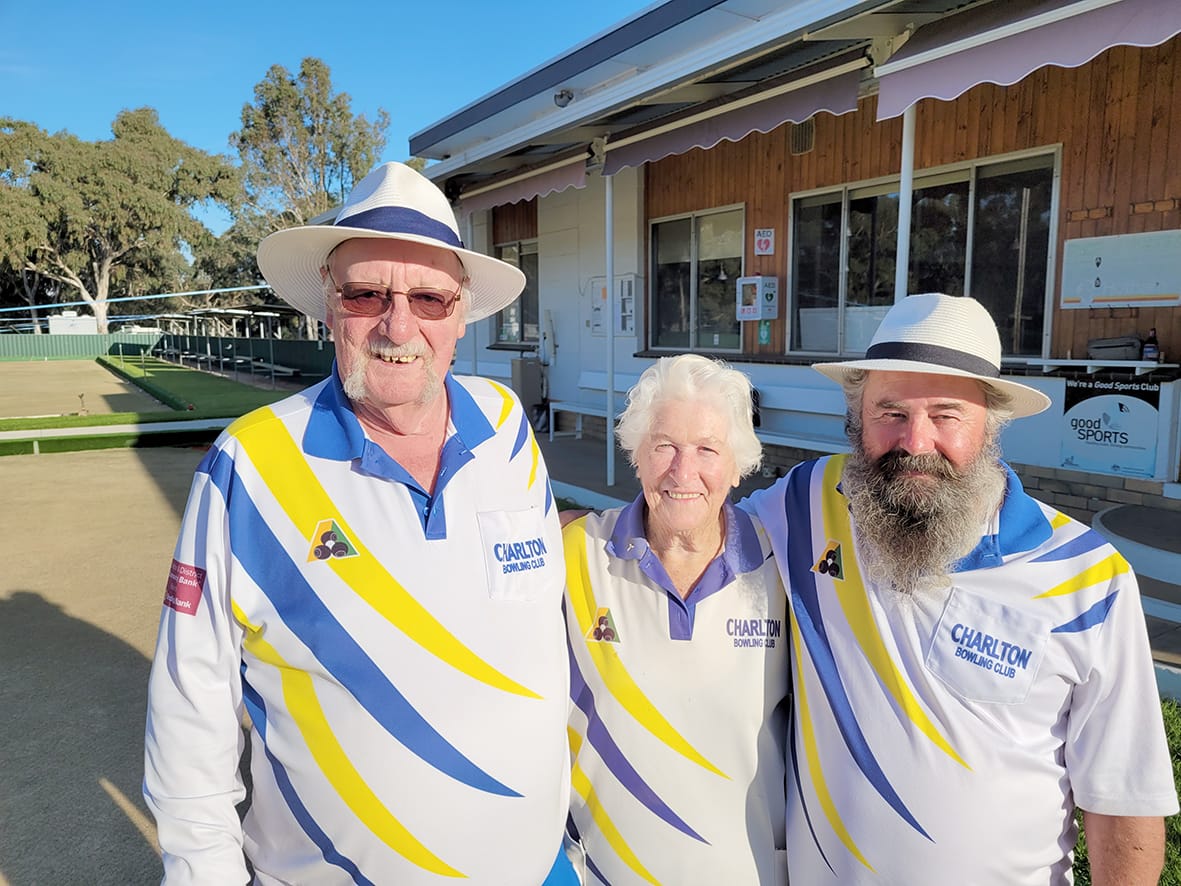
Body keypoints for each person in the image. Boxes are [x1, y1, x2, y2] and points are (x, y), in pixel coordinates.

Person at [143, 162, 575, 885]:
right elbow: (190, 710)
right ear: (327, 303)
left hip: (539, 871)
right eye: (366, 292)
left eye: (429, 298)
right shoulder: (248, 463)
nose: (397, 324)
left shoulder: (506, 425)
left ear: (461, 314)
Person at [743, 293, 1179, 885]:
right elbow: (688, 531)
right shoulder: (805, 505)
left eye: (946, 415)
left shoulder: (1087, 577)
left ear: (991, 423)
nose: (915, 442)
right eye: (890, 412)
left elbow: (1124, 800)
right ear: (856, 415)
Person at [562, 354, 789, 885]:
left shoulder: (782, 567)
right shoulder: (574, 555)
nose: (683, 472)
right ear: (636, 455)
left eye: (708, 449)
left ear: (737, 465)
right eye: (664, 446)